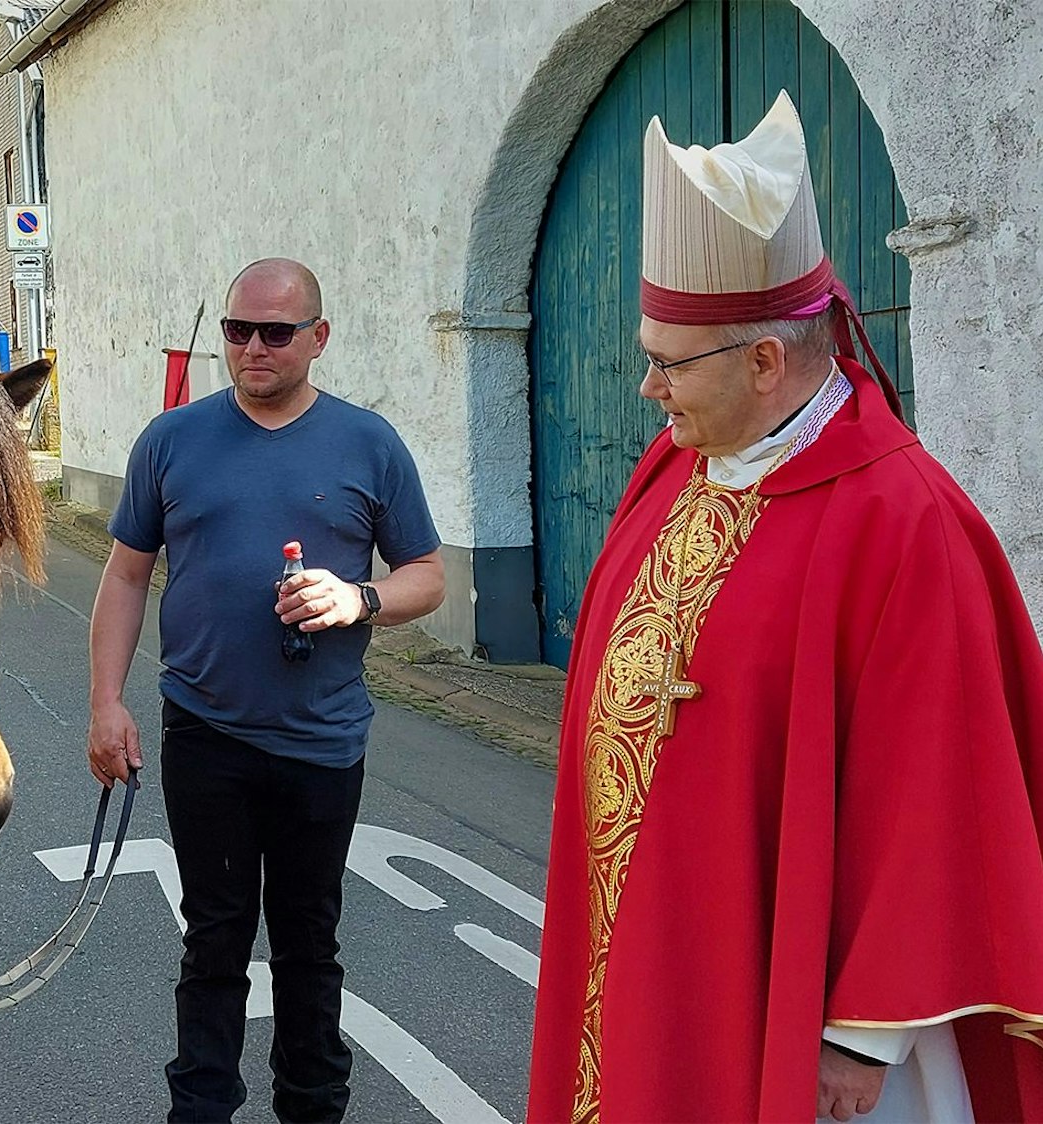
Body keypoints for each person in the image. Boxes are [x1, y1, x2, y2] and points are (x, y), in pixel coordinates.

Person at [526, 92, 1043, 1124]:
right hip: (663, 937)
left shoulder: (904, 519)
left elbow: (940, 788)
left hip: (820, 1011)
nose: (646, 387)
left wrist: (862, 1032)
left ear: (765, 361)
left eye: (668, 360)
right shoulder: (681, 471)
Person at [86, 259, 446, 1123]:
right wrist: (106, 702)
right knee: (212, 942)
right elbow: (127, 576)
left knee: (308, 948)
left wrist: (358, 598)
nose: (252, 348)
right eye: (237, 331)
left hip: (322, 742)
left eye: (275, 333)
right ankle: (200, 1110)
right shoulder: (171, 440)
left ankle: (312, 1108)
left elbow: (428, 578)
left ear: (318, 339)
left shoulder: (368, 445)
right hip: (205, 735)